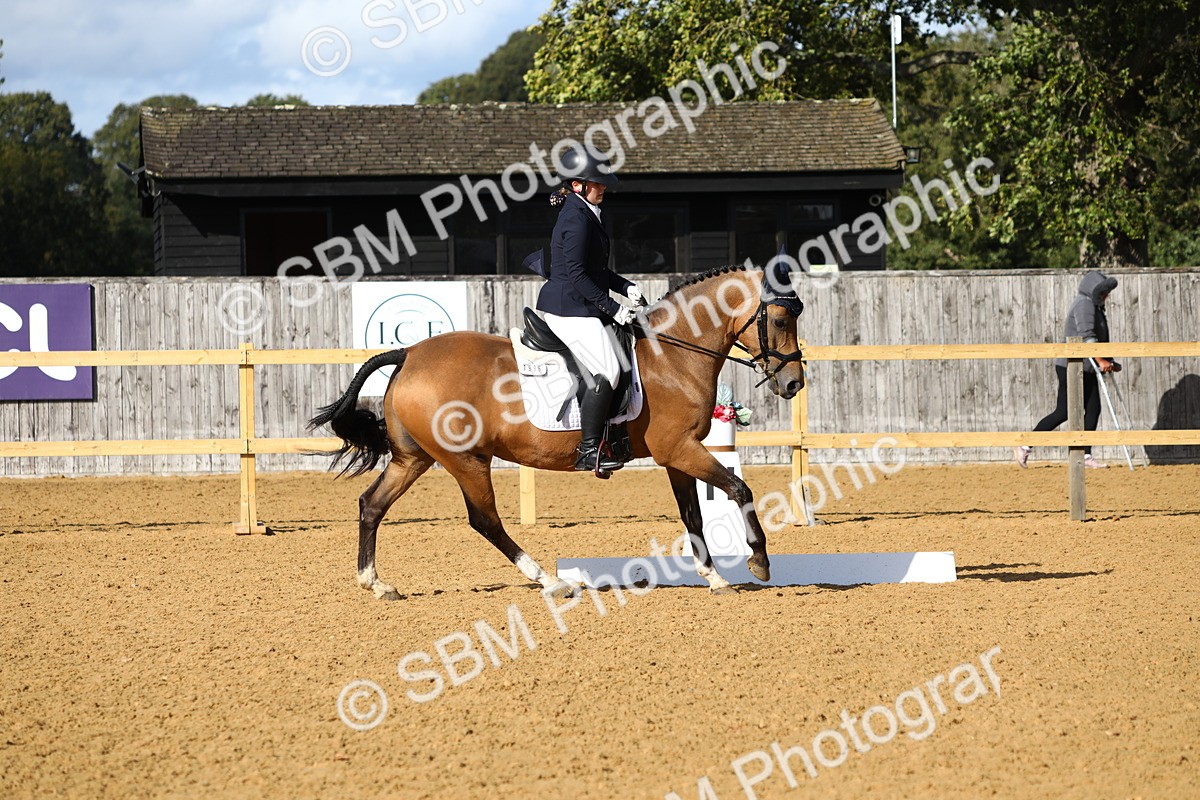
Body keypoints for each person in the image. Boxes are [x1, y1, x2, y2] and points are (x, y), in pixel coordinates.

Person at [536, 146, 643, 474]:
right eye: (598, 183)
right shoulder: (576, 219)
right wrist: (614, 309)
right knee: (609, 369)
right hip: (568, 308)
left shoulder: (584, 211)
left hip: (581, 303)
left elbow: (594, 270)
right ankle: (586, 451)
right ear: (579, 185)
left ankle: (614, 437)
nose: (604, 187)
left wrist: (625, 287)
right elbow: (579, 277)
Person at [1016, 270, 1120, 469]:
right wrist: (1100, 359)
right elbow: (1087, 336)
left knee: (1093, 409)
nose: (1107, 296)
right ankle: (1025, 445)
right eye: (1104, 292)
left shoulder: (1096, 307)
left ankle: (1086, 455)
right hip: (1071, 367)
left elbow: (1100, 339)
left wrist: (1108, 361)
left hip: (1087, 366)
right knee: (1063, 411)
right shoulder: (1084, 305)